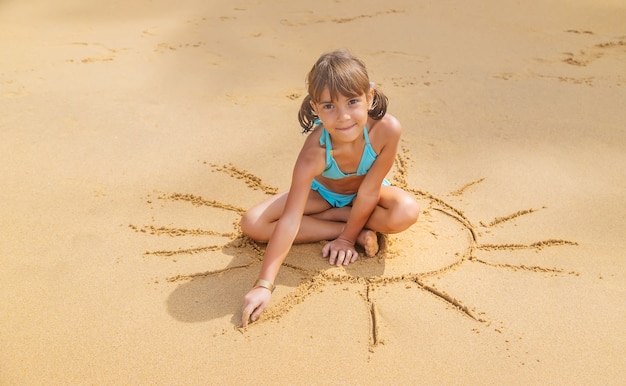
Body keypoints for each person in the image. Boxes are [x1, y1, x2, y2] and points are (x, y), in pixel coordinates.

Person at [240, 49, 420, 327]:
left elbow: (370, 191)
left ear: (369, 97)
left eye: (352, 102)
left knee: (406, 211)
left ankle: (347, 226)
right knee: (253, 223)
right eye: (329, 106)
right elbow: (290, 218)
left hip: (369, 196)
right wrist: (264, 285)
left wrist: (345, 241)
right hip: (322, 196)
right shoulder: (315, 151)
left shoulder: (387, 129)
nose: (343, 116)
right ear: (315, 107)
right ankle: (352, 227)